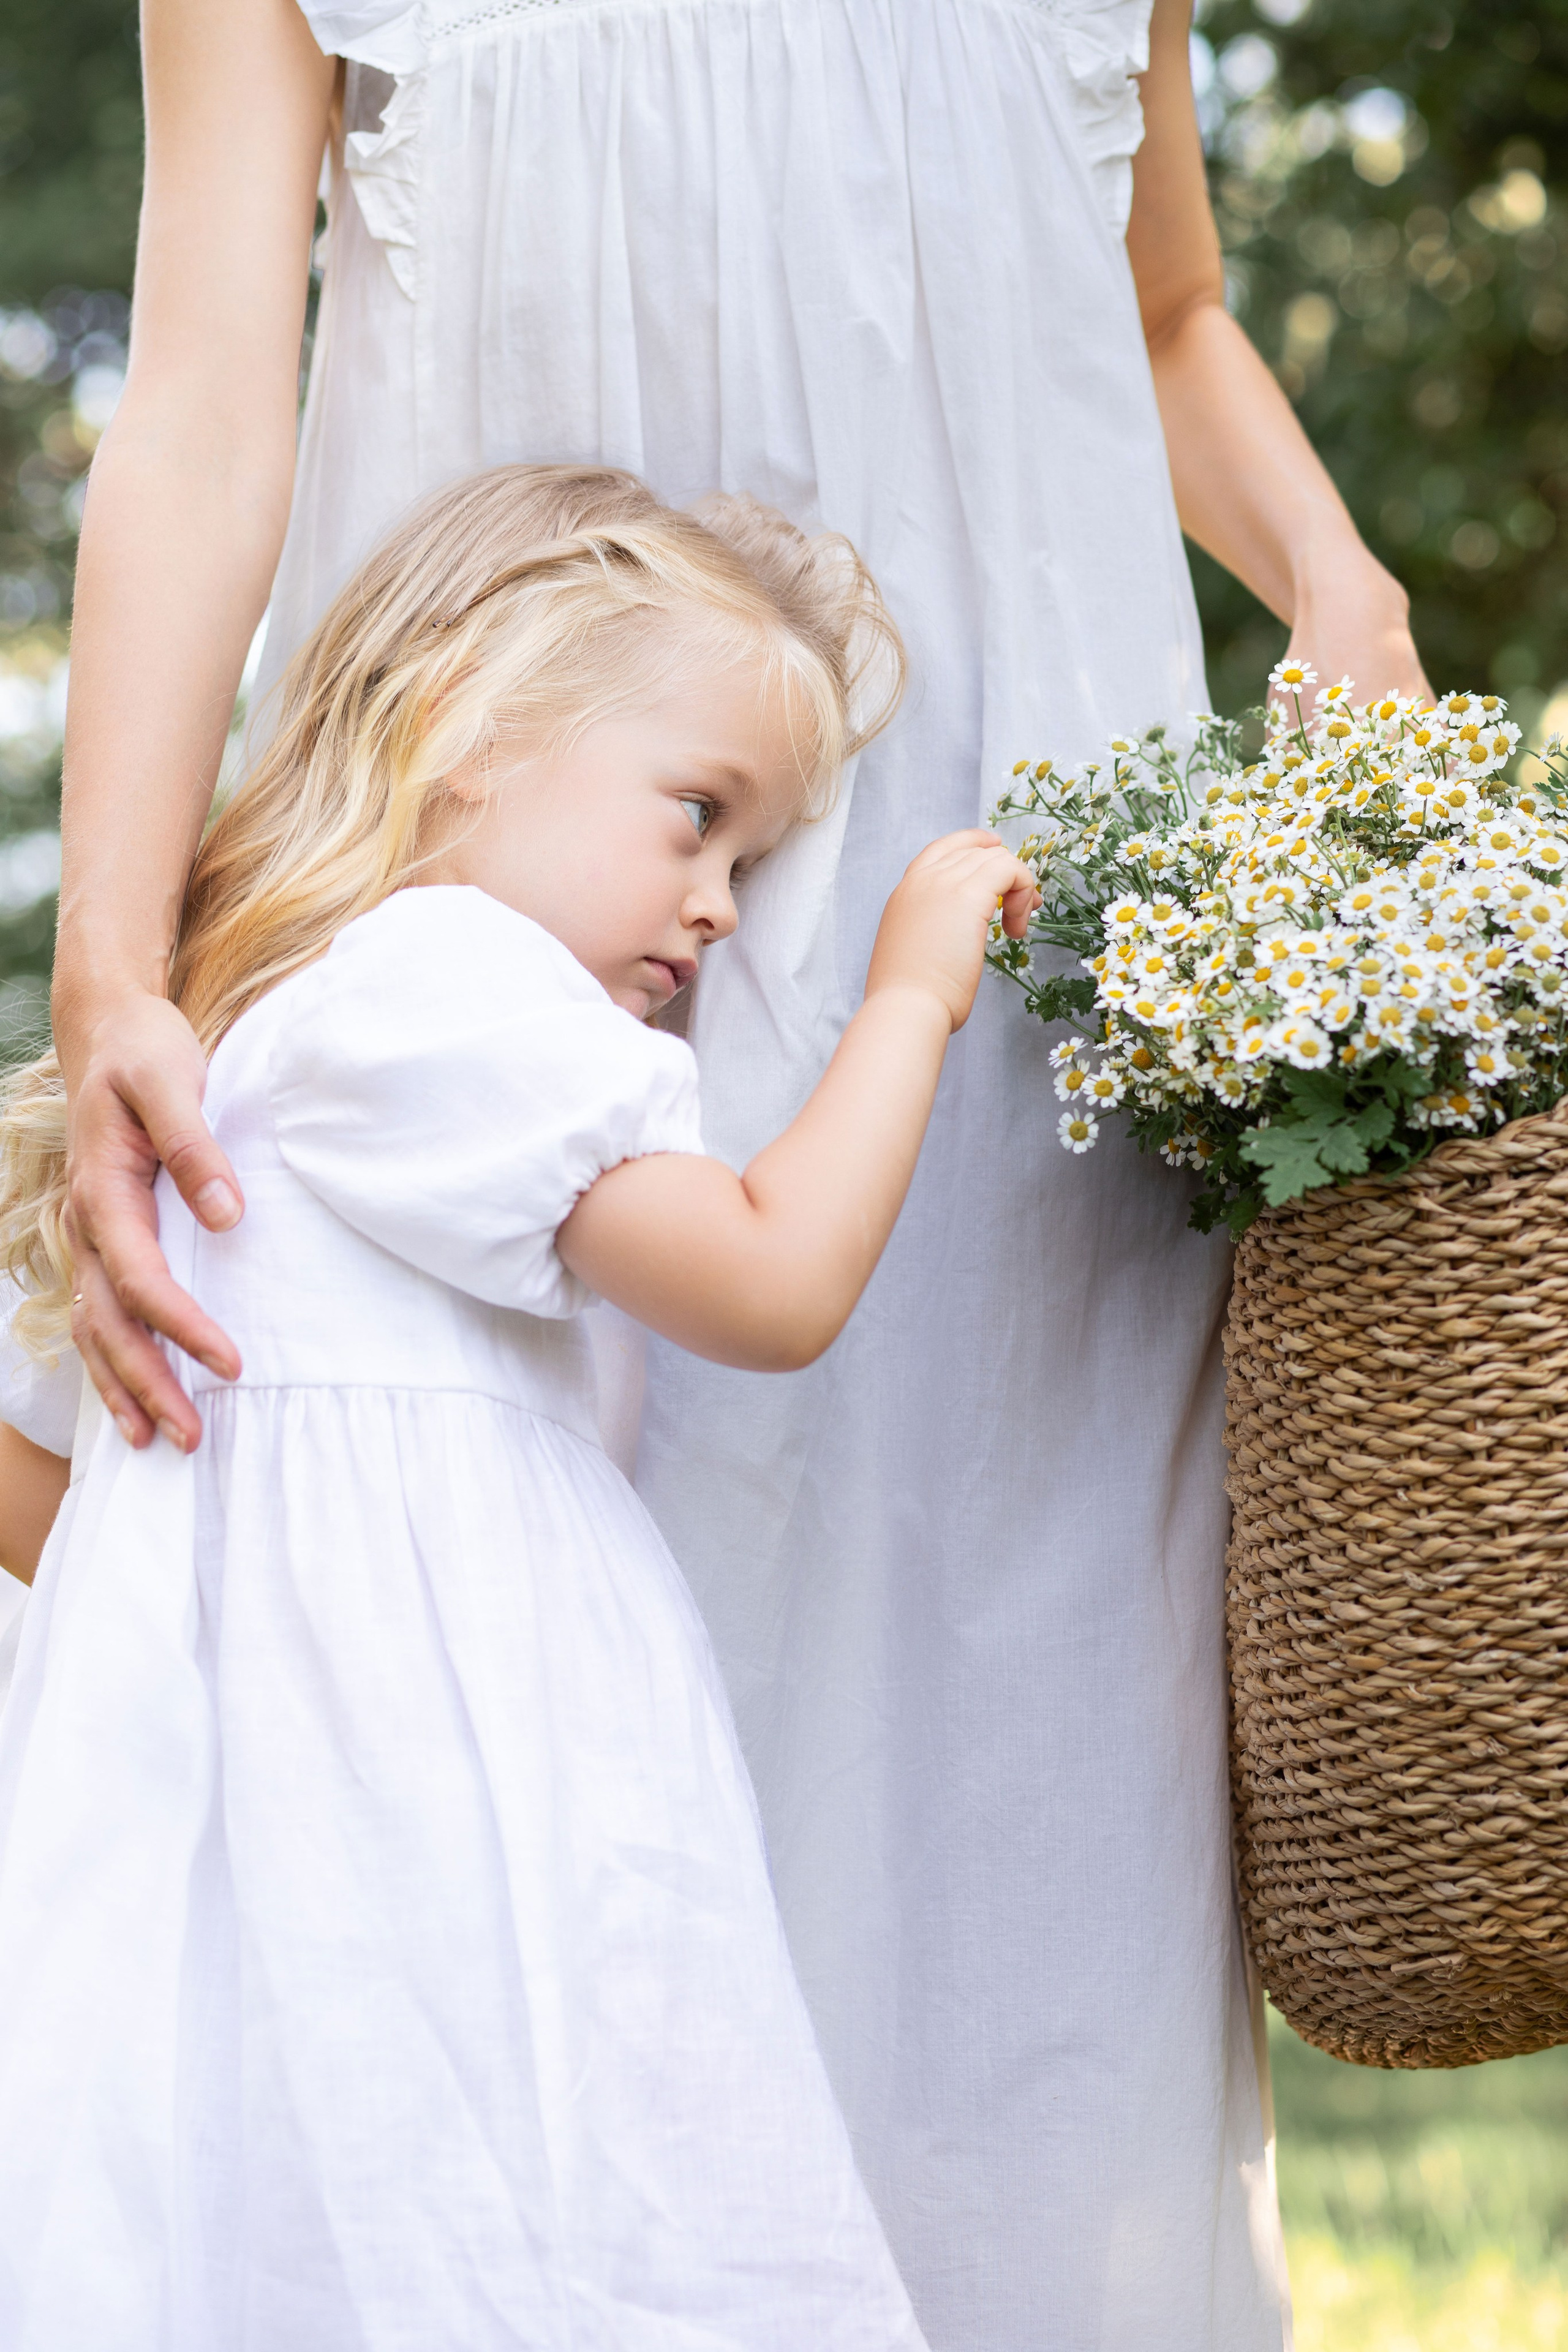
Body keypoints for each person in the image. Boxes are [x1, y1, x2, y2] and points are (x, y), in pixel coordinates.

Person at [50, 0, 1430, 2339]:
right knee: (477, 1731)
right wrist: (115, 968)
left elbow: (1168, 304)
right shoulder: (403, 1035)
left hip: (1016, 950)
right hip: (516, 865)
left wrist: (1340, 582)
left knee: (1023, 1770)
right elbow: (200, 396)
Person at [0, 460, 1039, 2344]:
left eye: (750, 861)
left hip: (330, 1793)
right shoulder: (442, 983)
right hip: (444, 1787)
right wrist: (912, 996)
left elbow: (86, 1499)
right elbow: (769, 1280)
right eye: (702, 819)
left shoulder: (304, 1028)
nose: (721, 909)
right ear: (471, 733)